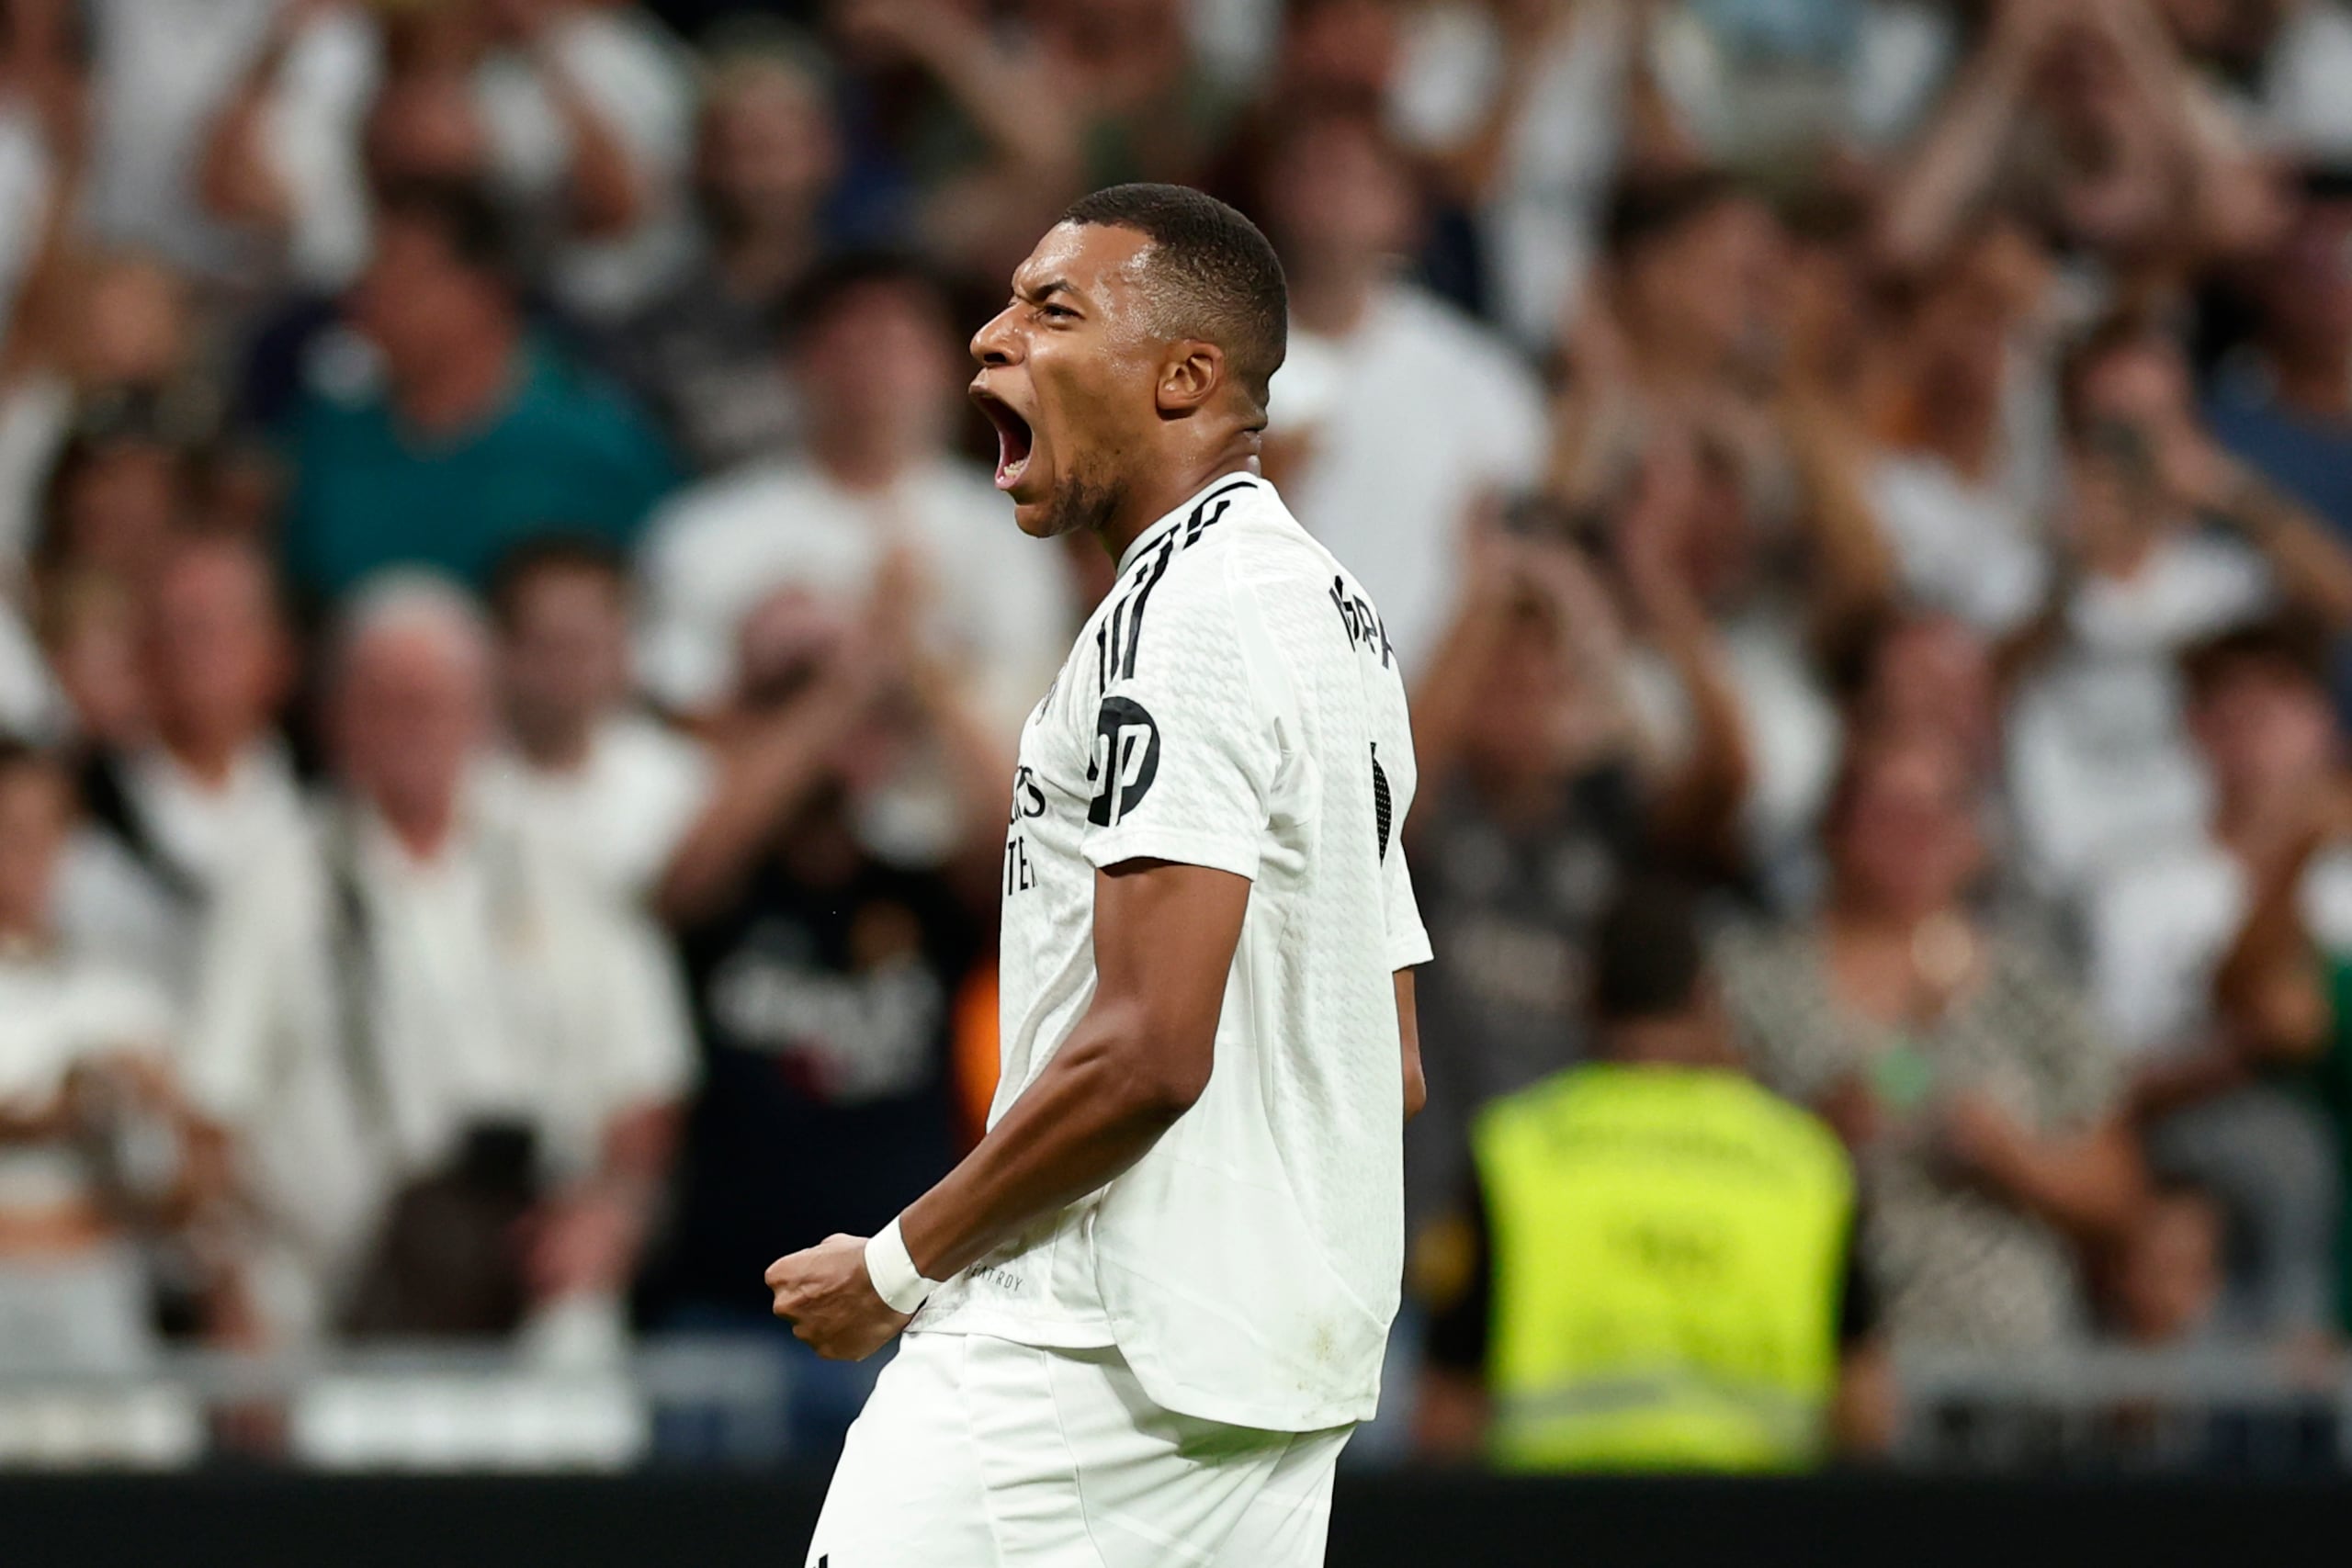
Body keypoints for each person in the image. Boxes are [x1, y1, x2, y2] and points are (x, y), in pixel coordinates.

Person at [767, 184, 1430, 1568]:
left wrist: (894, 1266)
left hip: (1086, 1351)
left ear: (1187, 378)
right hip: (1271, 1375)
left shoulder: (1182, 618)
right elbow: (1392, 1061)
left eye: (1052, 309)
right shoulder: (1333, 617)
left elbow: (1145, 1054)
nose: (988, 339)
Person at [181, 573, 695, 1347]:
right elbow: (208, 1111)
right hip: (330, 1306)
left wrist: (612, 1211)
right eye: (385, 702)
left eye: (437, 702)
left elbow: (645, 1079)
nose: (412, 727)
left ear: (481, 715)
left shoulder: (566, 867)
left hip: (537, 1293)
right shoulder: (272, 883)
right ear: (337, 719)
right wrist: (228, 1289)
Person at [647, 584, 983, 1456]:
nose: (829, 722)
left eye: (853, 700)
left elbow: (1018, 831)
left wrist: (920, 681)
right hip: (722, 1314)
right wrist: (834, 693)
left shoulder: (920, 892)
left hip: (902, 1315)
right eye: (787, 688)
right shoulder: (719, 883)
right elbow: (681, 885)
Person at [1415, 878, 1870, 1472]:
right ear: (1706, 997)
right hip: (1759, 1529)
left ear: (1589, 995)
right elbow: (1866, 1410)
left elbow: (1445, 1411)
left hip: (1549, 1530)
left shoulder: (1513, 1151)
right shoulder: (1805, 1162)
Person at [1717, 732, 2143, 1350]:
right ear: (1834, 827)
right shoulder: (1752, 980)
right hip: (1816, 1350)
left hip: (2011, 1367)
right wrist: (1832, 1125)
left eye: (1939, 812)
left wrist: (2014, 1158)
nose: (1915, 835)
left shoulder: (2033, 991)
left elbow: (2120, 1192)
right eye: (1889, 813)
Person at [636, 251, 1072, 742]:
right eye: (849, 346)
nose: (873, 372)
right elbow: (676, 723)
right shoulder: (703, 529)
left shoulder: (1010, 529)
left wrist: (898, 647)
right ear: (798, 362)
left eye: (898, 347)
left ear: (950, 366)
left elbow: (1032, 727)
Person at [275, 180, 679, 604]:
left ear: (486, 291)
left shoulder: (597, 447)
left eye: (404, 282)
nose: (370, 303)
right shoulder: (324, 441)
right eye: (370, 281)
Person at [1252, 104, 1548, 678]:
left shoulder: (1483, 384)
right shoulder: (1205, 361)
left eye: (1360, 177)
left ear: (1404, 213)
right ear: (1273, 191)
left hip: (1415, 715)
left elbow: (1521, 552)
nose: (1334, 194)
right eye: (1313, 170)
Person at [54, 535, 303, 995]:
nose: (196, 654)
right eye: (177, 630)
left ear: (276, 652)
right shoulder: (76, 803)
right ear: (140, 653)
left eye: (219, 628)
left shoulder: (327, 798)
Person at [483, 536, 710, 908]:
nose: (569, 669)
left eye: (587, 645)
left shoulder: (679, 779)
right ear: (503, 651)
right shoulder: (461, 786)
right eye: (550, 644)